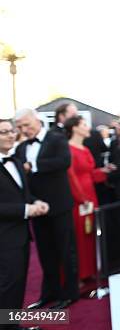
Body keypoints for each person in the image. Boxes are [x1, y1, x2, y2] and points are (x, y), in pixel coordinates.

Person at [14, 108, 79, 309]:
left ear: (37, 119)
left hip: (59, 206)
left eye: (27, 124)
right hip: (36, 208)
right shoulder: (21, 147)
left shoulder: (57, 138)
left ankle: (70, 294)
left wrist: (33, 165)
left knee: (66, 252)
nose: (24, 130)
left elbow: (64, 162)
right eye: (20, 127)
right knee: (45, 253)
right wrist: (32, 201)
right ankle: (50, 293)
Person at [0, 119, 49, 324]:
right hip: (3, 236)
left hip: (21, 235)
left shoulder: (17, 161)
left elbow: (23, 194)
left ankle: (12, 324)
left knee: (19, 284)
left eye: (12, 131)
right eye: (4, 132)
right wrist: (26, 210)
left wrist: (35, 201)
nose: (11, 135)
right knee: (7, 285)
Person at [64, 116, 112, 281]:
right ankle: (79, 274)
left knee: (90, 233)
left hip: (90, 194)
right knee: (79, 234)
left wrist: (104, 171)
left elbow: (90, 174)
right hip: (79, 199)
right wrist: (82, 198)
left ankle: (89, 271)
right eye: (84, 125)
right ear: (75, 128)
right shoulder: (68, 149)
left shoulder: (84, 149)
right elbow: (71, 178)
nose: (88, 128)